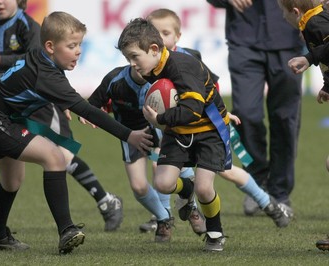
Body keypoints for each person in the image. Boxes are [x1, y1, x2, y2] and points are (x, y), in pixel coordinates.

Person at [0, 11, 152, 254]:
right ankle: (66, 230)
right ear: (50, 46)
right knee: (54, 157)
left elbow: (31, 84)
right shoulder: (47, 75)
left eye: (80, 44)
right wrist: (129, 135)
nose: (78, 51)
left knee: (11, 181)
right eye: (71, 45)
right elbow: (86, 109)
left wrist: (58, 102)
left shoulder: (42, 58)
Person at [0, 0, 124, 233]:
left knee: (61, 155)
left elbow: (37, 62)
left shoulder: (29, 27)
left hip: (39, 102)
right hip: (12, 103)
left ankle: (106, 201)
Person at [146, 8, 290, 229]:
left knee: (228, 172)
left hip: (205, 126)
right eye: (155, 34)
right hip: (171, 127)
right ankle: (164, 218)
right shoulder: (145, 64)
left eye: (165, 33)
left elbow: (211, 86)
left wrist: (222, 113)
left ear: (178, 36)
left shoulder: (189, 59)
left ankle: (266, 202)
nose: (161, 39)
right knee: (163, 166)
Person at [117, 18, 230, 252]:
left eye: (134, 57)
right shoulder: (152, 67)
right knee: (163, 183)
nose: (132, 64)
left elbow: (192, 110)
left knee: (205, 188)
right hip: (178, 131)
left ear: (154, 49)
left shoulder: (181, 67)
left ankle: (215, 232)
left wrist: (158, 120)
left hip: (207, 131)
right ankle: (185, 190)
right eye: (128, 59)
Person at [86, 65, 206, 242]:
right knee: (138, 186)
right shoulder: (114, 80)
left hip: (160, 129)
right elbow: (93, 105)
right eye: (134, 57)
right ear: (131, 60)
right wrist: (88, 114)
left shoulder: (164, 78)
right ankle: (163, 218)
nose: (140, 64)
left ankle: (192, 208)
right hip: (130, 134)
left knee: (164, 167)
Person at [207, 0, 304, 217]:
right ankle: (256, 182)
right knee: (245, 114)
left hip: (289, 37)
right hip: (244, 39)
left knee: (285, 118)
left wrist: (313, 19)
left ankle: (279, 192)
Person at [276, 0, 329, 250]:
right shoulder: (316, 20)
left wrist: (309, 58)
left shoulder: (316, 22)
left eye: (283, 12)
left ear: (295, 12)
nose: (283, 17)